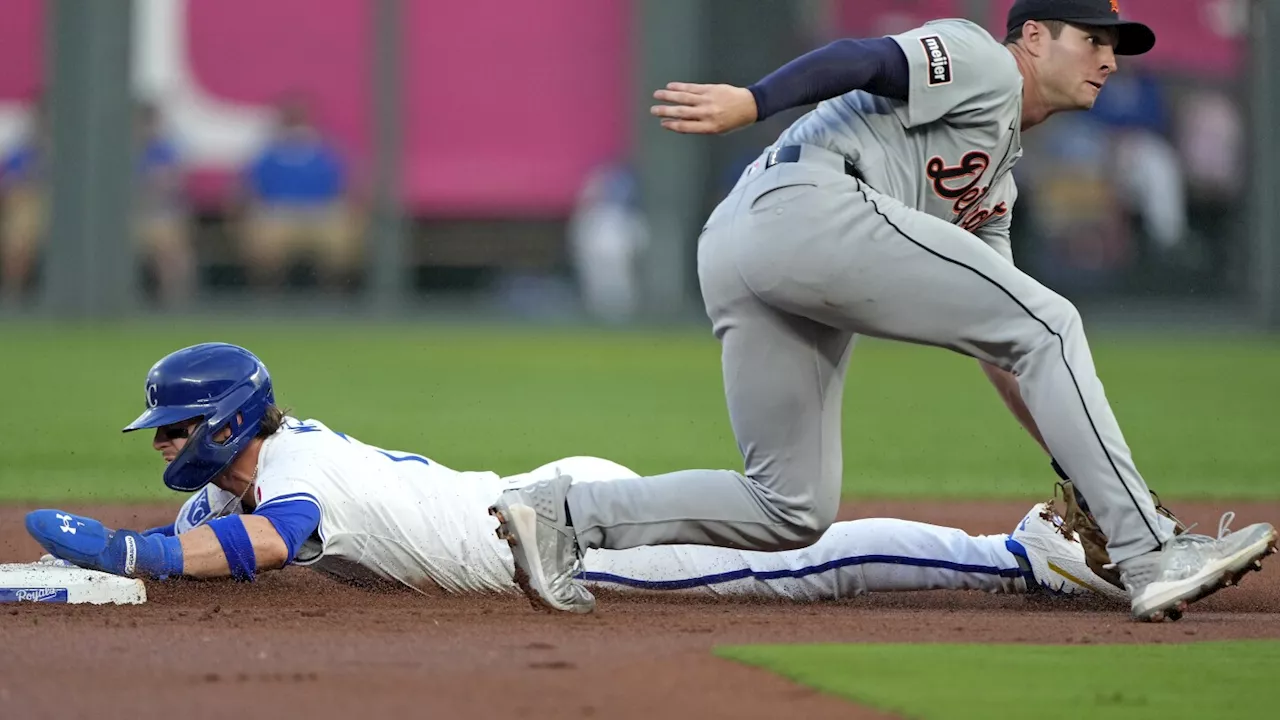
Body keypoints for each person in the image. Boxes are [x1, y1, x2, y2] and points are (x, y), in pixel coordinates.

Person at [485, 0, 1278, 621]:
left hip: (740, 246)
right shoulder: (987, 62)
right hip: (806, 204)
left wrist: (1075, 468)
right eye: (1091, 37)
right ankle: (1152, 555)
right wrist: (752, 101)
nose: (1109, 58)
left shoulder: (994, 181)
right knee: (1054, 320)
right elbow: (863, 57)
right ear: (1033, 35)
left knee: (789, 507)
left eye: (1117, 45)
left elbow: (1005, 347)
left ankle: (559, 514)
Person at [24, 342, 1128, 604]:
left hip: (550, 544)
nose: (164, 451)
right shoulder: (269, 457)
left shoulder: (297, 480)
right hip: (543, 493)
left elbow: (257, 544)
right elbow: (238, 513)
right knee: (777, 544)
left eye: (174, 434)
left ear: (223, 427)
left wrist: (131, 555)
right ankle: (1020, 551)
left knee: (801, 564)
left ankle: (1019, 557)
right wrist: (44, 581)